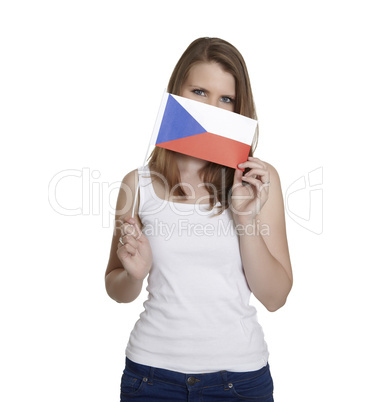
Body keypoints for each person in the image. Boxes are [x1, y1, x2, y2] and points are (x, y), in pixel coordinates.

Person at [105, 37, 293, 401]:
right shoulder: (137, 184)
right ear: (177, 92)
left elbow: (275, 298)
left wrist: (246, 218)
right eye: (199, 92)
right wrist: (133, 273)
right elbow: (116, 290)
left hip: (239, 381)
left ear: (239, 108)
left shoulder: (258, 181)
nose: (213, 108)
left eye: (226, 99)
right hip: (150, 379)